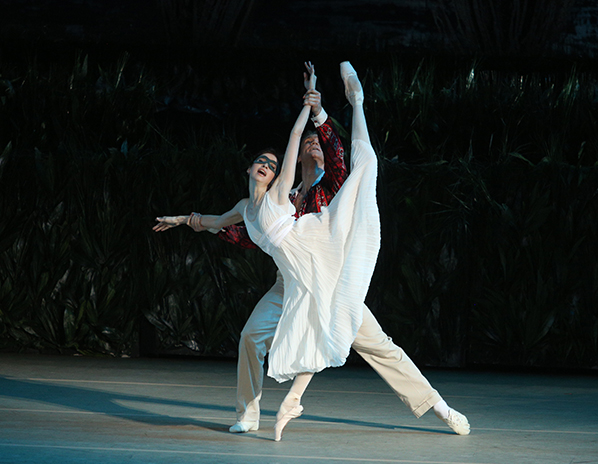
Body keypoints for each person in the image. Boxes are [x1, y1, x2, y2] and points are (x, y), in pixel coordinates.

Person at [154, 62, 470, 440]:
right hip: (289, 281)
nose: (314, 146)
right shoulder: (283, 196)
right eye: (309, 145)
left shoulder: (332, 185)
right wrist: (193, 222)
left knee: (380, 347)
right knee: (251, 337)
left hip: (333, 279)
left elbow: (336, 152)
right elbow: (245, 232)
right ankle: (249, 413)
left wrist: (316, 110)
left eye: (317, 144)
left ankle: (439, 406)